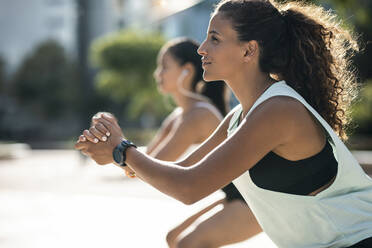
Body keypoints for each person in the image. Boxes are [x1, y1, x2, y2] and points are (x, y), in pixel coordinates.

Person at [76, 0, 372, 247]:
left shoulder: (279, 111)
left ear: (248, 50)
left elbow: (190, 188)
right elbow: (180, 171)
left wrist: (122, 150)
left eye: (215, 39)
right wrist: (114, 151)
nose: (202, 48)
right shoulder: (240, 117)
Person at [80, 38, 261, 247]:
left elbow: (145, 166)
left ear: (187, 71)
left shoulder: (198, 115)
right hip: (234, 195)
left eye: (164, 67)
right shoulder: (180, 115)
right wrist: (112, 141)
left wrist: (115, 146)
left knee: (187, 244)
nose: (157, 74)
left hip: (253, 198)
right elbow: (145, 162)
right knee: (173, 238)